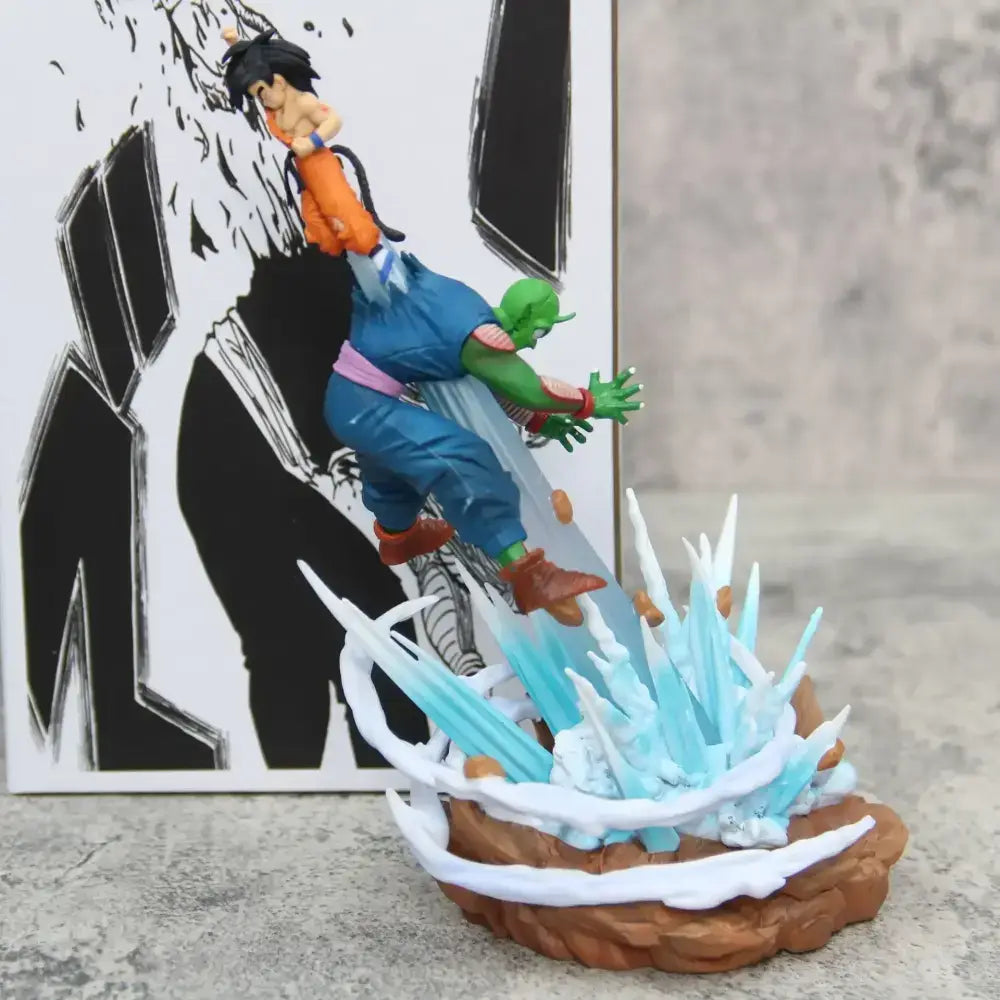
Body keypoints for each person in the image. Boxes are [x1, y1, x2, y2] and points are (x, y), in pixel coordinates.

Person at [326, 263, 643, 626]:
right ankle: (531, 576)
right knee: (464, 459)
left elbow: (493, 384)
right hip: (364, 402)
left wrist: (539, 421)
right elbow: (530, 389)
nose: (532, 343)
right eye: (538, 331)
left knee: (390, 471)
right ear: (523, 317)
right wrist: (590, 401)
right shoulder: (475, 336)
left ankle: (398, 538)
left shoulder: (467, 322)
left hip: (353, 400)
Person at [221, 28, 401, 282]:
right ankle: (348, 262)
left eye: (261, 92)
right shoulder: (275, 109)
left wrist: (312, 141)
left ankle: (376, 252)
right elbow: (252, 63)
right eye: (257, 97)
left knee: (338, 206)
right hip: (303, 170)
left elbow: (334, 121)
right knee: (317, 223)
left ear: (279, 82)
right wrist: (235, 45)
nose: (262, 101)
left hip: (320, 162)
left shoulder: (303, 102)